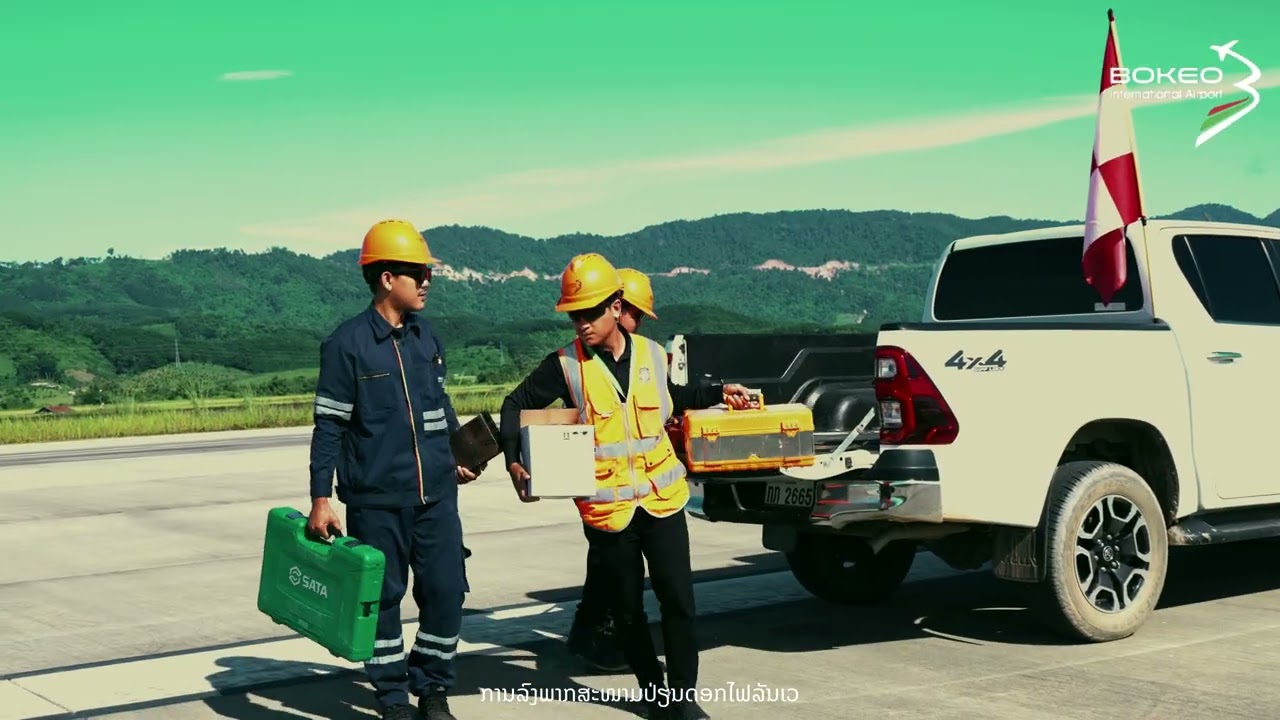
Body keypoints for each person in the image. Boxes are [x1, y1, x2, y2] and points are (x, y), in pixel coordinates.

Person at [499, 253, 751, 720]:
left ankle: (682, 697)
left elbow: (679, 397)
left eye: (590, 312)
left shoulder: (654, 355)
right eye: (574, 315)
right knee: (629, 610)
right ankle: (653, 692)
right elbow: (513, 404)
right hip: (608, 512)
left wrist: (720, 393)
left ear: (617, 308)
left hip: (662, 501)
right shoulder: (564, 366)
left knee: (679, 601)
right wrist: (515, 460)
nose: (582, 324)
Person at [307, 219, 478, 720]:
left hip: (437, 497)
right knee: (383, 600)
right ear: (386, 279)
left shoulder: (427, 338)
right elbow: (329, 428)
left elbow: (438, 408)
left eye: (428, 272)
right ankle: (392, 699)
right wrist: (321, 497)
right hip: (376, 499)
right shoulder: (347, 345)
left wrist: (457, 455)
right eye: (417, 272)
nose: (427, 281)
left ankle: (433, 688)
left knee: (447, 590)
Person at [566, 267, 660, 672]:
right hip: (605, 491)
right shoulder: (582, 362)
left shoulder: (639, 357)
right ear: (619, 309)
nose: (636, 324)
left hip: (623, 489)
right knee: (611, 572)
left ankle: (590, 634)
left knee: (604, 569)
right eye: (635, 315)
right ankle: (599, 637)